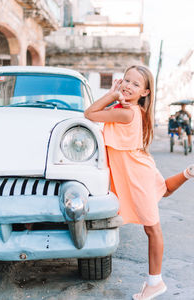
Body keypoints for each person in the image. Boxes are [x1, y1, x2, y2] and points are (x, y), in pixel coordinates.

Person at [84, 65, 194, 300]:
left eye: (135, 84)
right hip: (139, 165)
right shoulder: (131, 110)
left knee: (153, 229)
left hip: (137, 173)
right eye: (125, 80)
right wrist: (119, 99)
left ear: (145, 92)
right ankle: (188, 172)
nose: (127, 85)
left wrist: (113, 95)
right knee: (162, 190)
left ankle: (156, 282)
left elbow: (90, 113)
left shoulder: (127, 112)